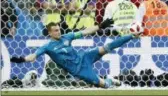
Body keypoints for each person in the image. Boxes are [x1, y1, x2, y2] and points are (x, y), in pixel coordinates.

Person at [10, 19, 144, 88]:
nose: (59, 32)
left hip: (84, 57)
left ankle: (132, 36)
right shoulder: (47, 47)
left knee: (106, 47)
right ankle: (110, 80)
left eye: (59, 29)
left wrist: (100, 25)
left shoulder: (67, 37)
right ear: (49, 33)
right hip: (79, 70)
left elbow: (85, 31)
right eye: (55, 30)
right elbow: (33, 56)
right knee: (105, 85)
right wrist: (21, 59)